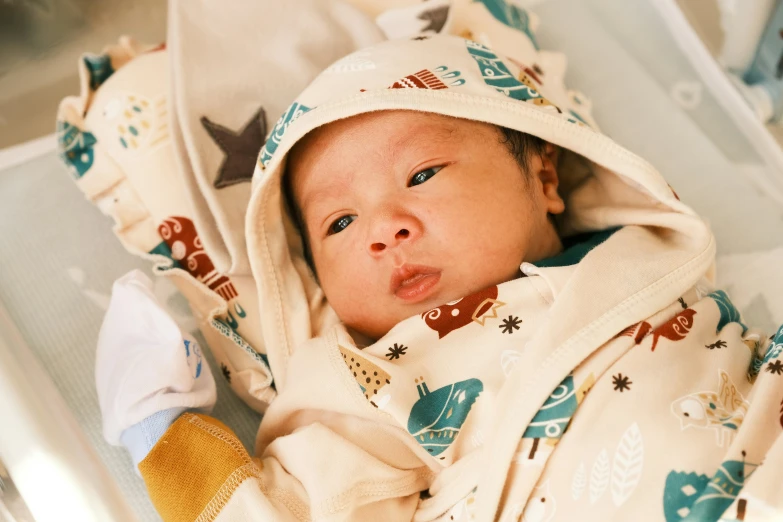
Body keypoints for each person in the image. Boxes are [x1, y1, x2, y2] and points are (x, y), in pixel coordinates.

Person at [97, 35, 783, 521]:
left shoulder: (647, 258)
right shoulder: (365, 382)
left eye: (420, 176)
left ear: (543, 174)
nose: (382, 228)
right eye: (338, 223)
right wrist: (161, 430)